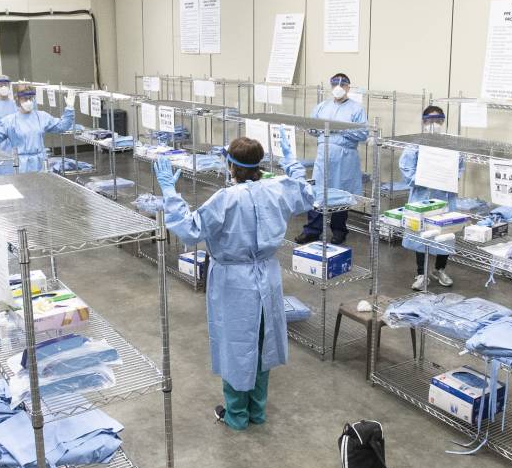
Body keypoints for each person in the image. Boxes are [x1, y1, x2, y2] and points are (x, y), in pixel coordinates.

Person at [157, 134, 314, 430]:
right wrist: (291, 163)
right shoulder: (277, 189)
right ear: (260, 165)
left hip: (233, 279)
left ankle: (236, 415)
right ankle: (257, 411)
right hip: (267, 274)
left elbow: (190, 230)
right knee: (261, 339)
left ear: (230, 165)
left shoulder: (225, 199)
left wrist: (170, 192)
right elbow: (306, 194)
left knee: (235, 343)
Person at [294, 73, 368, 246]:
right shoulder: (322, 107)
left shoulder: (356, 109)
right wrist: (310, 127)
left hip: (345, 157)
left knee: (340, 193)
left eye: (342, 85)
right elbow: (313, 129)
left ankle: (339, 230)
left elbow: (363, 133)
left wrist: (339, 129)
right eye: (335, 84)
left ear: (349, 87)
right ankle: (312, 230)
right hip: (323, 155)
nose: (338, 87)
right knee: (318, 192)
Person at [402, 105, 456, 291]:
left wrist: (447, 177)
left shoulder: (450, 143)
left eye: (438, 120)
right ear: (424, 121)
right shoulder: (416, 143)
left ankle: (439, 269)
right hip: (421, 195)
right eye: (430, 120)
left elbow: (459, 166)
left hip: (443, 196)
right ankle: (421, 274)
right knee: (421, 234)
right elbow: (406, 167)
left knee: (445, 233)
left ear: (443, 122)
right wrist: (420, 179)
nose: (435, 124)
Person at [0, 84, 75, 173]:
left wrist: (69, 109)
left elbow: (62, 126)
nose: (29, 102)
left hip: (40, 162)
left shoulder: (42, 117)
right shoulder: (10, 121)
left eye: (30, 98)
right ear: (18, 100)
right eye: (25, 99)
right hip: (20, 164)